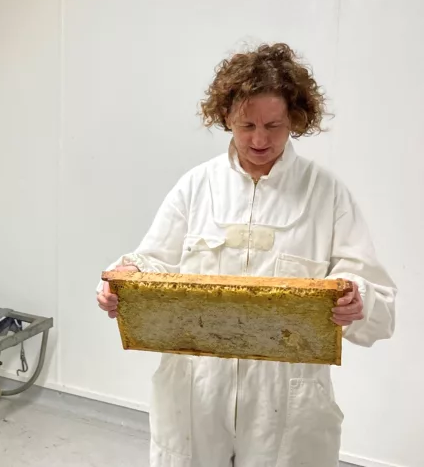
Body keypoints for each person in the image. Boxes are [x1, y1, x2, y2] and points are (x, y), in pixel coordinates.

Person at [96, 43, 397, 466]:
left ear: (295, 118)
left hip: (286, 396)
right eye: (247, 125)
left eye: (273, 125)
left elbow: (381, 306)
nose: (259, 139)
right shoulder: (196, 187)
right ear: (226, 117)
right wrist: (122, 282)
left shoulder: (325, 193)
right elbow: (151, 262)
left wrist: (357, 299)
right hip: (198, 388)